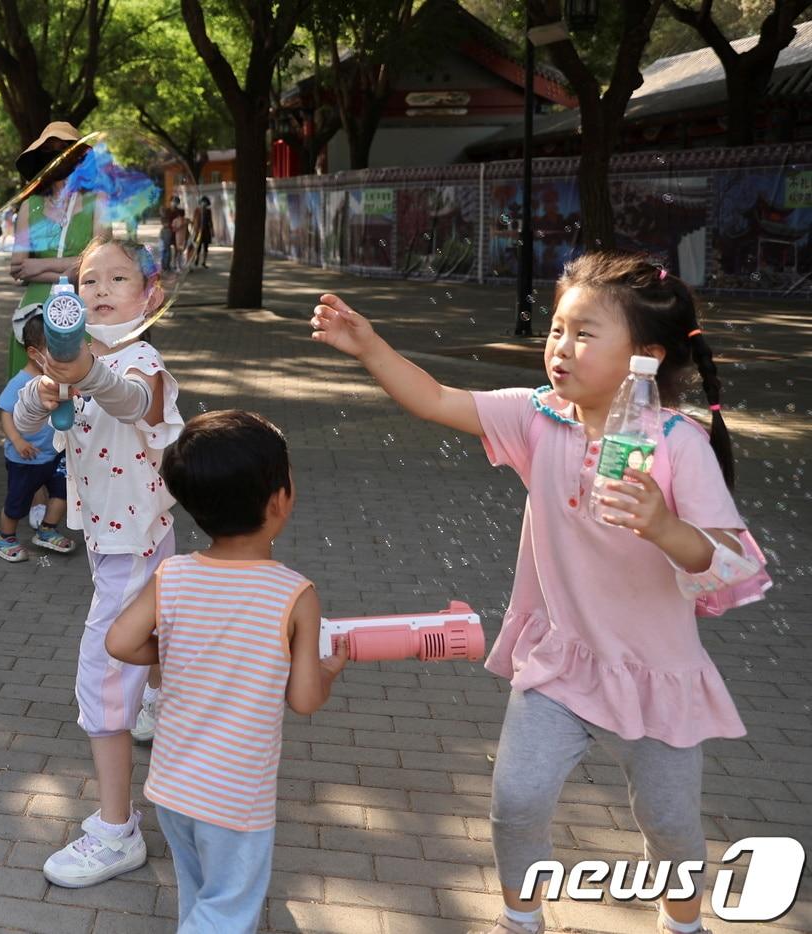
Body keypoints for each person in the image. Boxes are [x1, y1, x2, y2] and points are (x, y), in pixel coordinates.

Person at [309, 253, 770, 934]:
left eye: (585, 334)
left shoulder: (677, 444)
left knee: (669, 825)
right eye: (557, 329)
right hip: (559, 662)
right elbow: (437, 400)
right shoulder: (540, 419)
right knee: (516, 799)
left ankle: (683, 923)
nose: (561, 347)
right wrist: (368, 345)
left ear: (645, 357)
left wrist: (665, 526)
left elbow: (729, 559)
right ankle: (521, 919)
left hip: (655, 675)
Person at [107, 410, 348, 932]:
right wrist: (328, 668)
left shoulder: (173, 575)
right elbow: (305, 698)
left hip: (172, 787)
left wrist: (172, 650)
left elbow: (120, 641)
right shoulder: (294, 594)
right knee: (228, 910)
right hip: (235, 797)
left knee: (200, 893)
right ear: (279, 500)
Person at [11, 235, 183, 887]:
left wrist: (83, 372)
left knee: (102, 680)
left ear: (150, 295)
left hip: (134, 542)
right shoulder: (73, 359)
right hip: (121, 540)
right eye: (89, 281)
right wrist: (44, 393)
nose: (102, 290)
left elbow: (132, 400)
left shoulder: (141, 360)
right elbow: (28, 425)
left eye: (118, 279)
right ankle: (165, 703)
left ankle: (118, 831)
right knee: (151, 651)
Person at [7, 121, 101, 379]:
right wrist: (69, 270)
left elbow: (99, 263)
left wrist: (37, 266)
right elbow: (17, 267)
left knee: (77, 398)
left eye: (65, 149)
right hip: (34, 314)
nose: (58, 157)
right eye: (50, 151)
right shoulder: (30, 205)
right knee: (29, 397)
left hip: (81, 311)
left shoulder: (97, 202)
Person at [0, 310, 76, 563]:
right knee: (17, 502)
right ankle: (5, 538)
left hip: (53, 453)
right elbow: (5, 412)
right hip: (25, 456)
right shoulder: (22, 381)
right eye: (53, 350)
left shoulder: (56, 379)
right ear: (33, 353)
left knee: (63, 493)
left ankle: (47, 530)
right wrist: (17, 440)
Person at [190, 196, 213, 268]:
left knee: (206, 247)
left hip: (206, 231)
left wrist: (212, 231)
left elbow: (210, 222)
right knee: (198, 246)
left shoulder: (208, 211)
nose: (204, 203)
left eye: (205, 202)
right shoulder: (197, 210)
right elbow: (194, 220)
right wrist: (194, 229)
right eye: (203, 202)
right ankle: (197, 258)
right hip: (198, 232)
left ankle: (204, 262)